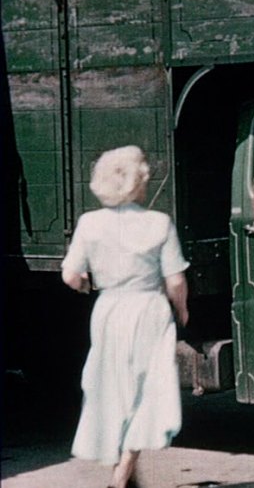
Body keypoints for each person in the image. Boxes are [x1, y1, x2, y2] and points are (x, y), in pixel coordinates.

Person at [61, 145, 190, 488]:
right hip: (149, 309)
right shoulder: (158, 222)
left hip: (109, 309)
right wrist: (183, 310)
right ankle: (122, 475)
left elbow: (71, 275)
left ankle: (120, 470)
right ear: (137, 181)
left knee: (112, 388)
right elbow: (175, 280)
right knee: (148, 391)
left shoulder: (89, 223)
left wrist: (88, 283)